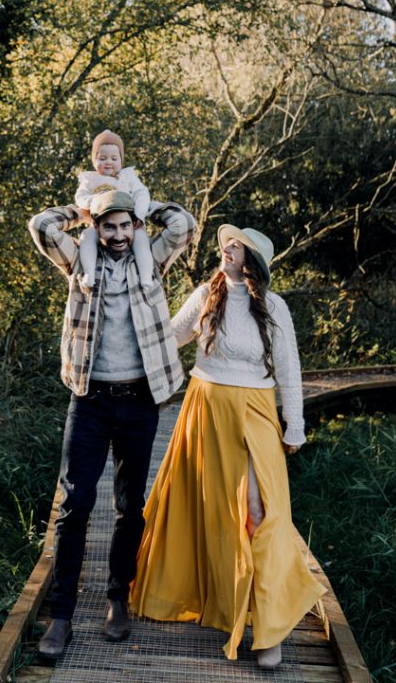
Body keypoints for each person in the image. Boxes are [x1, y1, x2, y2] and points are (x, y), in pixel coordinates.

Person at [130, 223, 326, 670]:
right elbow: (169, 337)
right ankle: (217, 601)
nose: (227, 250)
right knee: (210, 509)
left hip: (254, 412)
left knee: (260, 513)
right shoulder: (206, 294)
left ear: (252, 261)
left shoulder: (274, 307)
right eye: (227, 245)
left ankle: (269, 628)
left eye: (236, 247)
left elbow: (289, 368)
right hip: (205, 408)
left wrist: (294, 425)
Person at [28, 188, 196, 661]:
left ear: (135, 227)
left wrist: (145, 207)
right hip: (90, 399)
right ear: (96, 229)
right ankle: (61, 615)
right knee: (74, 506)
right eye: (109, 226)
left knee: (129, 506)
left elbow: (182, 224)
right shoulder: (79, 264)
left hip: (139, 400)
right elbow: (42, 226)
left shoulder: (151, 262)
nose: (118, 235)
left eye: (125, 225)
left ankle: (117, 599)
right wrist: (81, 209)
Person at [75, 129, 153, 292]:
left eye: (114, 158)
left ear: (121, 160)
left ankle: (146, 276)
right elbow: (80, 197)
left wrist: (139, 214)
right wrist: (93, 200)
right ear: (94, 160)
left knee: (141, 240)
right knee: (86, 238)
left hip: (128, 223)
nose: (108, 162)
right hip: (100, 225)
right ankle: (89, 274)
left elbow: (142, 193)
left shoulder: (128, 177)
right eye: (102, 158)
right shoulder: (90, 179)